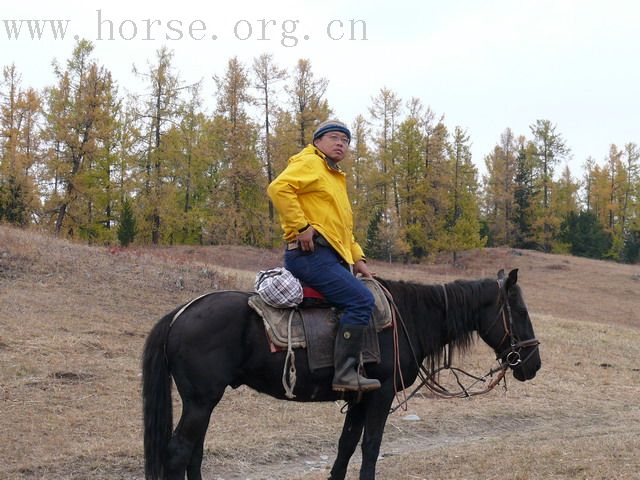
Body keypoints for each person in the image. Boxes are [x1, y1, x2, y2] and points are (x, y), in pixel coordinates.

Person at [267, 119, 381, 392]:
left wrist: (358, 259)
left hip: (330, 256)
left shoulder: (334, 178)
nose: (341, 143)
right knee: (361, 300)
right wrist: (301, 227)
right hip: (311, 255)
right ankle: (345, 373)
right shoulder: (310, 163)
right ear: (317, 142)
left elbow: (341, 229)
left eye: (345, 140)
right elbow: (278, 189)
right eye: (334, 137)